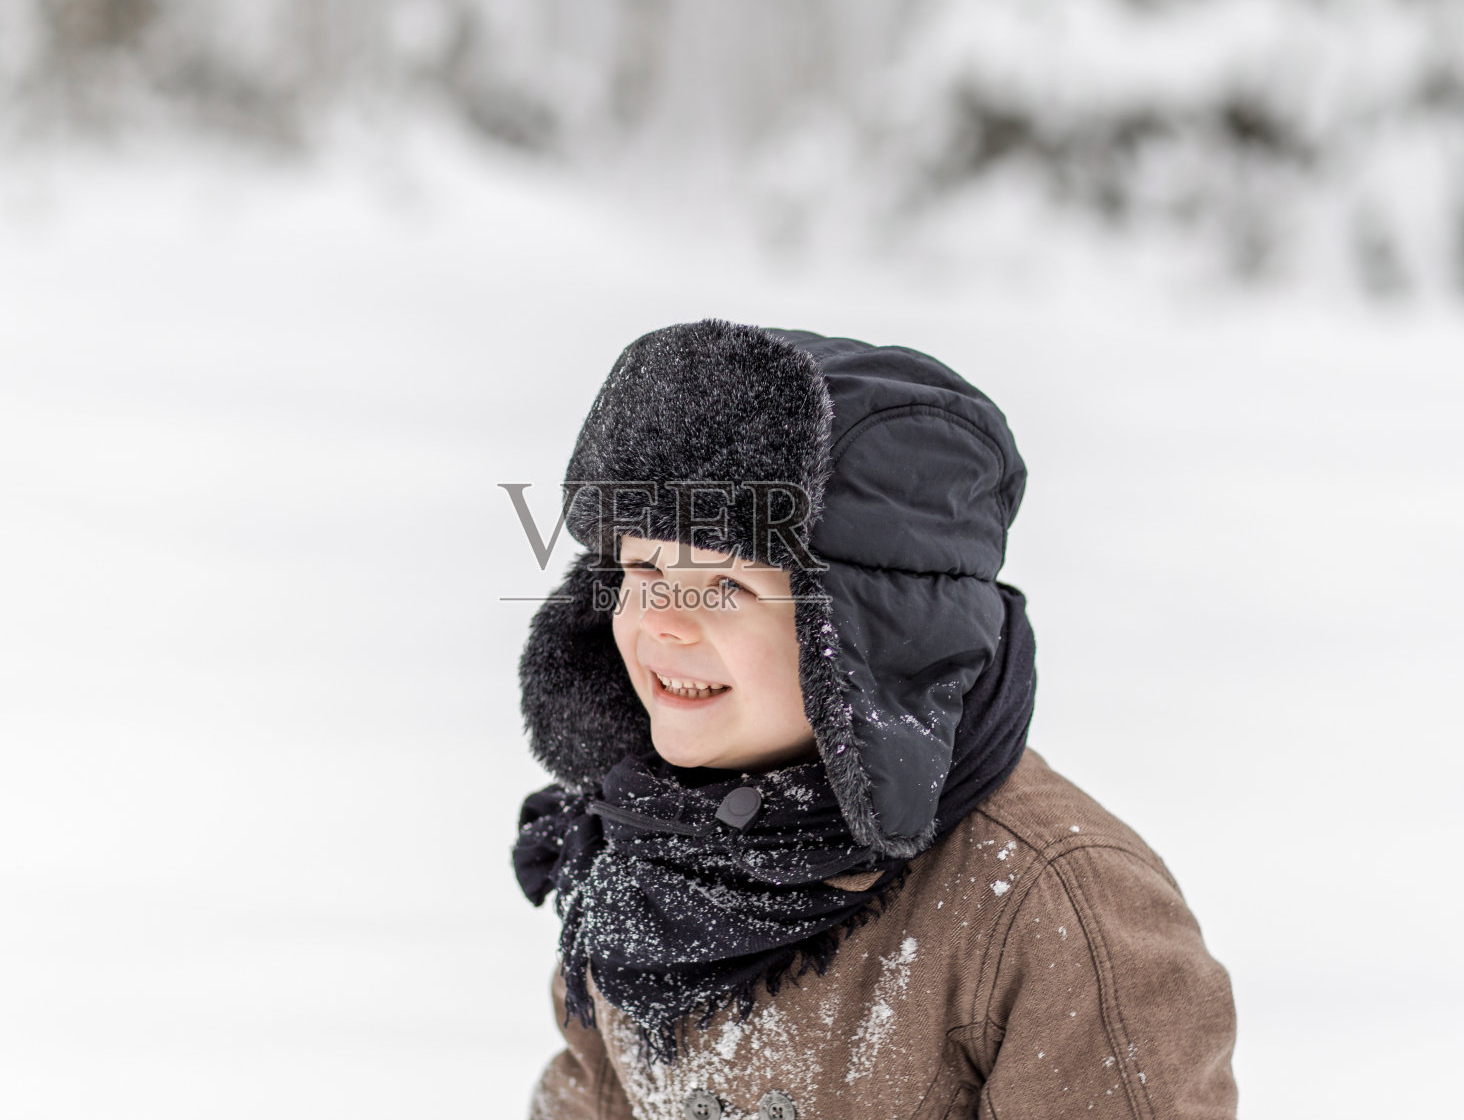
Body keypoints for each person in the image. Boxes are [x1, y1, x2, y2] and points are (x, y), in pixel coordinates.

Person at [512, 320, 1238, 1120]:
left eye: (728, 586)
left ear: (869, 638)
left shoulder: (1052, 910)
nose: (661, 621)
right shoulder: (648, 847)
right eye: (642, 567)